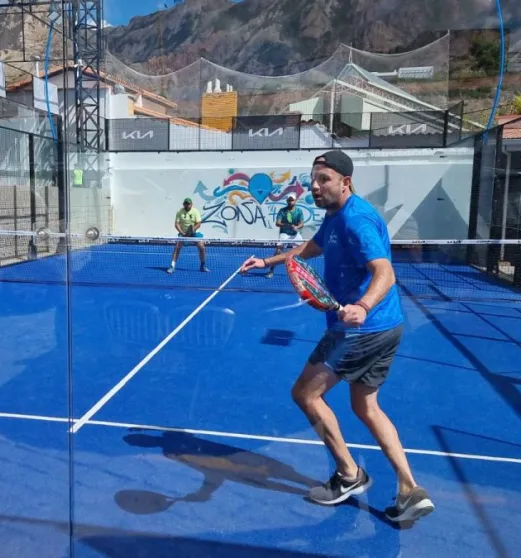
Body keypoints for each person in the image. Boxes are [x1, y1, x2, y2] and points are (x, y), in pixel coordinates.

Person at [240, 150, 433, 523]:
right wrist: (268, 262)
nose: (315, 185)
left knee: (305, 394)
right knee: (366, 407)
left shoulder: (355, 221)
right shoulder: (337, 217)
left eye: (324, 179)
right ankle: (409, 489)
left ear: (346, 182)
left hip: (359, 330)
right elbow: (309, 249)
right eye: (313, 179)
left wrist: (361, 305)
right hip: (388, 326)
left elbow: (385, 273)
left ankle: (349, 475)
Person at [167, 197, 208, 274]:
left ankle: (203, 265)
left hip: (194, 233)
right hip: (183, 233)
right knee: (177, 246)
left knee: (201, 246)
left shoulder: (195, 211)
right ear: (183, 204)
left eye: (188, 204)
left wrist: (192, 230)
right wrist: (182, 232)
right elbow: (177, 224)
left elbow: (198, 223)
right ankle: (172, 266)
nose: (187, 205)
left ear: (191, 204)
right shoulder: (179, 212)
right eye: (185, 203)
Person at [267, 194, 304, 278]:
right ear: (287, 201)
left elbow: (301, 223)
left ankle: (300, 272)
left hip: (295, 234)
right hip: (284, 234)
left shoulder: (299, 211)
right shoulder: (282, 211)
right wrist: (287, 225)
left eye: (292, 200)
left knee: (302, 251)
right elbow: (277, 223)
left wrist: (297, 227)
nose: (291, 202)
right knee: (278, 251)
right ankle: (271, 270)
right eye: (289, 200)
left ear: (295, 201)